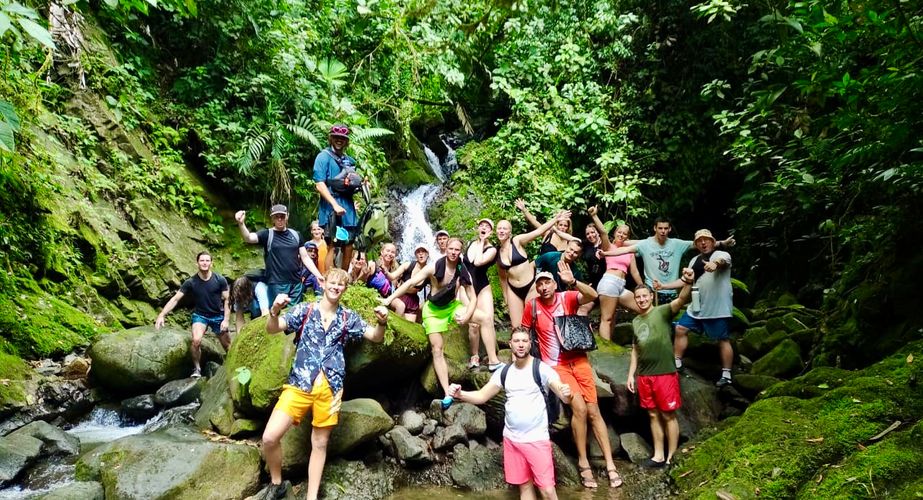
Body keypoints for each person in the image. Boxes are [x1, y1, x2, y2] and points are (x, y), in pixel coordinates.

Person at [260, 268, 388, 500]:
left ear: (345, 289)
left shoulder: (348, 317)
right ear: (323, 283)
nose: (336, 287)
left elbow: (375, 337)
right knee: (270, 437)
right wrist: (274, 311)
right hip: (300, 382)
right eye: (332, 282)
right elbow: (272, 329)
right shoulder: (305, 309)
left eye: (340, 284)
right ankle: (277, 483)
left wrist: (382, 322)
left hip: (331, 387)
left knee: (319, 444)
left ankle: (311, 497)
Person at [522, 267, 622, 489]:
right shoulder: (533, 306)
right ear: (536, 287)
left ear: (555, 284)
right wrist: (523, 363)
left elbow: (593, 296)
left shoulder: (566, 297)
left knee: (594, 411)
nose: (544, 286)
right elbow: (523, 332)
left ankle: (610, 464)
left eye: (547, 282)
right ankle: (583, 462)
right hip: (556, 366)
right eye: (540, 283)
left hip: (579, 359)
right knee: (580, 409)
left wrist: (574, 281)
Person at [449, 327, 573, 500]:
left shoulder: (541, 369)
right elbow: (482, 396)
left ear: (530, 344)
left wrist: (567, 394)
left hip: (536, 439)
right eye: (516, 341)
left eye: (524, 341)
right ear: (510, 344)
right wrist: (460, 394)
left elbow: (562, 393)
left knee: (547, 491)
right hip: (512, 440)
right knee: (525, 487)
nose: (520, 345)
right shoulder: (504, 372)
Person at [381, 238, 501, 408]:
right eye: (451, 249)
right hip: (433, 311)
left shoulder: (462, 268)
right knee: (437, 349)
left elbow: (472, 296)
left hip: (452, 307)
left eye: (457, 250)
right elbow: (410, 282)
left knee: (485, 318)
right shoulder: (434, 267)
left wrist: (467, 316)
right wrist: (389, 299)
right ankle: (447, 393)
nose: (453, 252)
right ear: (446, 250)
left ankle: (494, 362)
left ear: (460, 251)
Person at [626, 269, 694, 468]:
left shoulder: (662, 311)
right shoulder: (635, 321)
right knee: (653, 414)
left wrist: (688, 282)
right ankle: (658, 455)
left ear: (651, 297)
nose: (641, 300)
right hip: (645, 376)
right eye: (638, 297)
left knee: (668, 414)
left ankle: (671, 456)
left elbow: (681, 299)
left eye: (644, 296)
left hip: (664, 372)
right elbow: (635, 350)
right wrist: (631, 375)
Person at [662, 229, 735, 386]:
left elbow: (722, 262)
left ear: (713, 242)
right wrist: (663, 285)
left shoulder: (721, 255)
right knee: (681, 328)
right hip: (697, 307)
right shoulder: (694, 260)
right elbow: (685, 280)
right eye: (699, 241)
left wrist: (714, 264)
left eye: (706, 239)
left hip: (717, 308)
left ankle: (727, 374)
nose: (703, 242)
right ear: (696, 244)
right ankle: (677, 361)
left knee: (722, 339)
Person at [608, 217, 733, 305]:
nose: (663, 231)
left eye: (665, 228)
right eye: (660, 228)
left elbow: (701, 244)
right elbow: (625, 249)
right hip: (653, 289)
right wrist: (606, 253)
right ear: (655, 228)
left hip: (671, 290)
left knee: (668, 322)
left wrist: (722, 243)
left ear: (669, 229)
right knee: (653, 320)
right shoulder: (646, 243)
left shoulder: (677, 244)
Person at [155, 252, 230, 378]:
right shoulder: (191, 282)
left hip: (218, 315)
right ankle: (197, 368)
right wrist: (162, 314)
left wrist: (226, 319)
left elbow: (228, 300)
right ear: (197, 263)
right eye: (202, 260)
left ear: (211, 263)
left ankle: (230, 366)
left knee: (228, 346)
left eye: (207, 260)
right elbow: (175, 299)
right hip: (200, 315)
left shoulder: (220, 280)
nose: (205, 263)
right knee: (196, 341)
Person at [496, 210, 571, 329]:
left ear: (510, 232)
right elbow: (502, 277)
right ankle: (520, 347)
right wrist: (505, 296)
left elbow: (539, 231)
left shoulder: (517, 241)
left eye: (505, 228)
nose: (501, 231)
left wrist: (555, 219)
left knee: (534, 321)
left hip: (530, 285)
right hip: (513, 289)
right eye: (499, 228)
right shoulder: (497, 252)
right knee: (516, 326)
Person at [589, 207, 643, 341]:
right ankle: (606, 349)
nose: (621, 235)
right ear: (615, 233)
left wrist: (642, 287)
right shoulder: (608, 247)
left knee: (642, 308)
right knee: (607, 318)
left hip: (621, 286)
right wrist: (594, 216)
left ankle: (610, 343)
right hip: (609, 282)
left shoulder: (629, 251)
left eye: (625, 234)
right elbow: (603, 232)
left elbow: (634, 271)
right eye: (619, 232)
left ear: (627, 237)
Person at [313, 124, 362, 271]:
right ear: (331, 138)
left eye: (342, 138)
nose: (339, 140)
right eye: (336, 138)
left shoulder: (350, 161)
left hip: (348, 207)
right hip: (330, 207)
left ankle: (343, 279)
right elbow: (319, 184)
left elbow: (351, 183)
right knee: (332, 244)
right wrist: (334, 205)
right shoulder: (323, 157)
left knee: (349, 243)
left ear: (346, 141)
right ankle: (329, 280)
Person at [235, 205, 305, 305]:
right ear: (272, 218)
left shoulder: (295, 234)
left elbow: (305, 257)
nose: (280, 219)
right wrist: (241, 224)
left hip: (296, 283)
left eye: (282, 216)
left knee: (296, 313)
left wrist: (318, 275)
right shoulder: (267, 234)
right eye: (277, 216)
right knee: (277, 313)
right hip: (277, 283)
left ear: (287, 217)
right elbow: (249, 238)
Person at [463, 219, 502, 371]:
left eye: (487, 227)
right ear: (477, 228)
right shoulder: (471, 243)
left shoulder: (492, 249)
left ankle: (493, 359)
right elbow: (468, 261)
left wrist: (484, 242)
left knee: (488, 320)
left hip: (482, 286)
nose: (483, 228)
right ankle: (474, 356)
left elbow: (478, 262)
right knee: (473, 324)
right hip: (467, 286)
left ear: (491, 231)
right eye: (481, 225)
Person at [395, 244, 430, 322]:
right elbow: (393, 276)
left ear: (428, 254)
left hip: (413, 300)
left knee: (409, 325)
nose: (421, 253)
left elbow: (436, 287)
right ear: (415, 255)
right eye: (418, 252)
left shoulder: (429, 271)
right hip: (400, 296)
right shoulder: (409, 265)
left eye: (423, 251)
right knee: (400, 309)